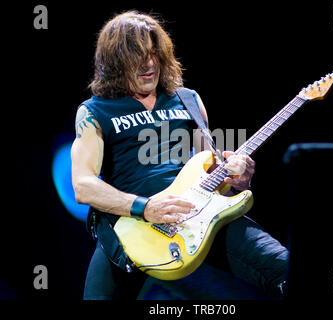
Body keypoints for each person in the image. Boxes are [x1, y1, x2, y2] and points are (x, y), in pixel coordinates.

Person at [71, 10, 288, 300]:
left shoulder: (187, 100)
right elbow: (83, 186)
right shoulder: (95, 110)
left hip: (198, 214)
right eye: (137, 56)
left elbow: (210, 169)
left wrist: (237, 179)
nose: (149, 64)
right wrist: (146, 208)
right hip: (131, 227)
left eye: (153, 54)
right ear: (115, 63)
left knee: (285, 268)